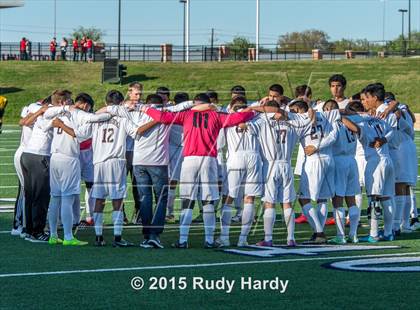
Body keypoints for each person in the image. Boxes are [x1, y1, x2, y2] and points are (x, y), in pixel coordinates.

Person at [142, 93, 256, 249]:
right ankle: (209, 240)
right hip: (209, 160)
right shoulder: (217, 115)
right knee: (208, 201)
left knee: (187, 201)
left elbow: (163, 117)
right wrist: (252, 111)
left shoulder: (187, 114)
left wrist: (144, 108)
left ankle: (183, 240)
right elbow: (239, 118)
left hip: (189, 160)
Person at [42, 93, 111, 246]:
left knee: (55, 197)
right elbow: (96, 120)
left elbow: (47, 117)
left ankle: (53, 235)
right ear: (85, 105)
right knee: (67, 198)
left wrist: (60, 121)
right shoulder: (81, 115)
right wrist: (109, 110)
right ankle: (68, 236)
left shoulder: (63, 111)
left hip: (54, 157)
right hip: (69, 159)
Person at [20, 90, 71, 242]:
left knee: (30, 196)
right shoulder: (52, 111)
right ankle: (37, 231)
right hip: (39, 156)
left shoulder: (44, 109)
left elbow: (26, 122)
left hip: (28, 154)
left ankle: (29, 229)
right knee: (40, 196)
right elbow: (49, 124)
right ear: (62, 102)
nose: (70, 103)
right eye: (68, 101)